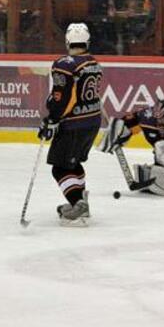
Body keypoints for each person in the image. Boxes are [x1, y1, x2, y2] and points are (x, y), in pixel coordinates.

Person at [38, 23, 103, 226]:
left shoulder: (64, 64)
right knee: (73, 163)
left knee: (60, 168)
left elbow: (63, 97)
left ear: (67, 41)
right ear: (87, 42)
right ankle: (81, 200)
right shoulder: (93, 63)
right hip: (92, 121)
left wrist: (52, 119)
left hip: (73, 124)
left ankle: (77, 202)